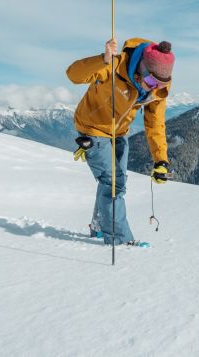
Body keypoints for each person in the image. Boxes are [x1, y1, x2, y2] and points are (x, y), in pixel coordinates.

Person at [66, 37, 174, 246]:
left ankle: (99, 226)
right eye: (152, 82)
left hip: (119, 132)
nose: (155, 88)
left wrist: (161, 160)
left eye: (162, 84)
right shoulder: (115, 64)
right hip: (93, 128)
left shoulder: (156, 89)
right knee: (113, 183)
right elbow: (73, 74)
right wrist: (103, 60)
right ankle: (119, 240)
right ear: (141, 68)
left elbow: (155, 124)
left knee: (116, 180)